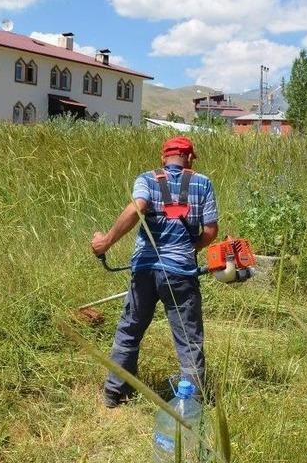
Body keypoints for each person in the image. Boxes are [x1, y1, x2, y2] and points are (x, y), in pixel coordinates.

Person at [91, 135, 218, 408]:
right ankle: (194, 401)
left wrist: (105, 242)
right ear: (190, 158)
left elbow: (138, 207)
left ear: (163, 158)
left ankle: (116, 393)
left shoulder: (146, 179)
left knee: (130, 330)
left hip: (145, 270)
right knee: (188, 337)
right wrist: (188, 250)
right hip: (181, 273)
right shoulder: (203, 183)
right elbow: (210, 231)